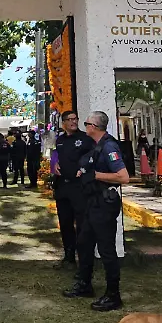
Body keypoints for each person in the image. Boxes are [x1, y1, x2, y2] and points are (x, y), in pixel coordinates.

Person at [64, 111, 129, 311]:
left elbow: (123, 177)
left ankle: (113, 295)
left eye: (86, 123)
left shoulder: (109, 146)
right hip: (92, 202)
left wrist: (96, 175)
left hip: (104, 203)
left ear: (94, 126)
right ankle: (85, 284)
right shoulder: (97, 146)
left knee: (106, 249)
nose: (84, 126)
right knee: (84, 243)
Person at [53, 111, 94, 268]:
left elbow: (92, 158)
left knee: (82, 223)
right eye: (69, 120)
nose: (73, 122)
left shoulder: (85, 139)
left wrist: (84, 169)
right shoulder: (60, 140)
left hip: (78, 187)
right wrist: (55, 164)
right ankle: (68, 256)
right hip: (63, 186)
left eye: (75, 119)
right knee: (65, 223)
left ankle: (84, 258)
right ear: (63, 123)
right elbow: (57, 155)